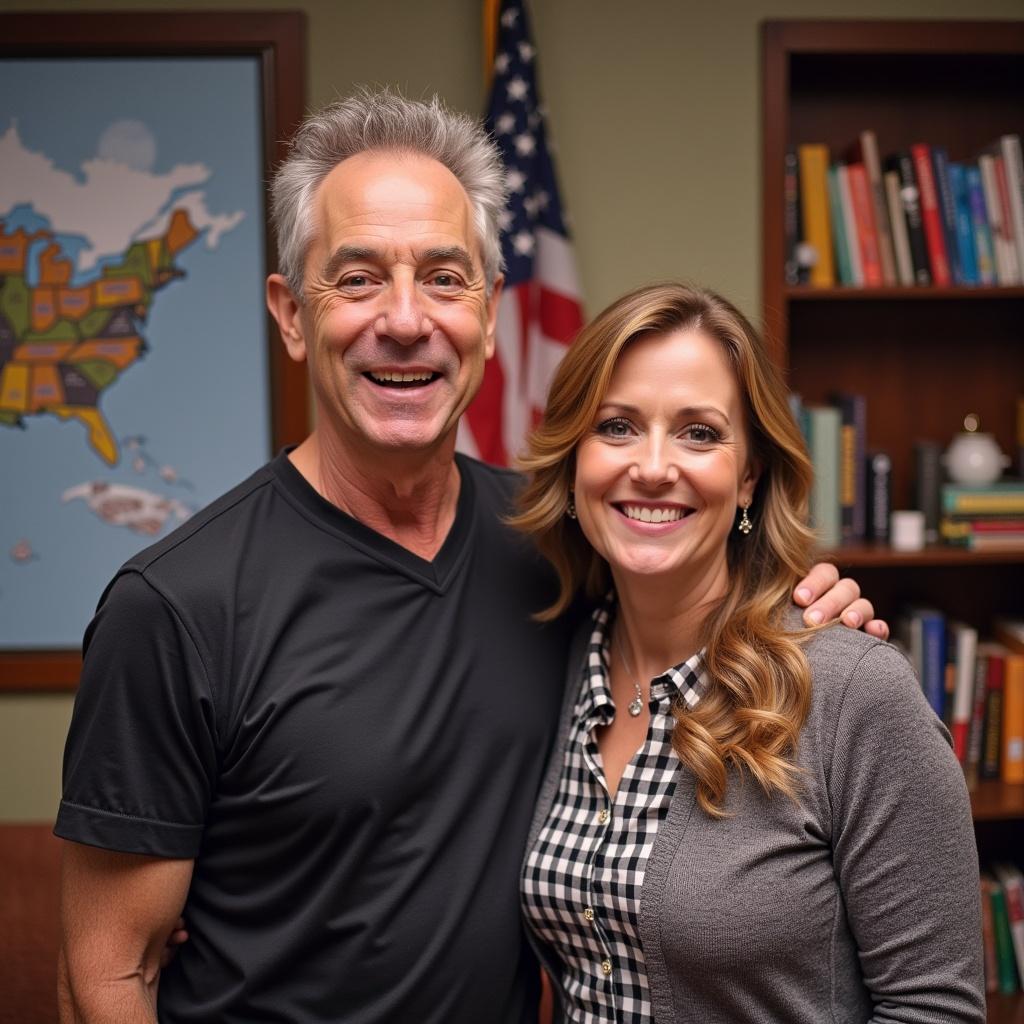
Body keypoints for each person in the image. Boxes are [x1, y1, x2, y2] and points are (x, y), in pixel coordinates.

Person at [55, 92, 883, 1024]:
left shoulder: (562, 547)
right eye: (357, 279)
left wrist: (810, 615)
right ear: (291, 316)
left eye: (445, 279)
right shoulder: (175, 606)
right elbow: (108, 974)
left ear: (490, 316)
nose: (406, 321)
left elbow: (696, 598)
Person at [512, 281, 984, 1023]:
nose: (655, 466)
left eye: (699, 433)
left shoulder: (853, 693)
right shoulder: (559, 660)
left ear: (749, 479)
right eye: (617, 427)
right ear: (574, 462)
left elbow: (936, 1009)